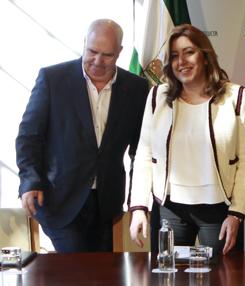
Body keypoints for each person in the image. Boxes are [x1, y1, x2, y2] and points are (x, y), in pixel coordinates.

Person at [15, 19, 149, 252]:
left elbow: (142, 150)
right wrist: (29, 180)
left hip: (107, 204)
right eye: (92, 51)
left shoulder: (136, 88)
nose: (98, 61)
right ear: (84, 43)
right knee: (76, 270)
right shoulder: (52, 79)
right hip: (60, 198)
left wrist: (137, 202)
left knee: (103, 273)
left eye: (107, 55)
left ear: (119, 52)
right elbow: (29, 137)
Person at [128, 24, 245, 255]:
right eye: (175, 55)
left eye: (189, 52)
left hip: (219, 209)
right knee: (169, 276)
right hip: (170, 209)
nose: (181, 61)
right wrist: (139, 207)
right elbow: (144, 155)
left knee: (224, 277)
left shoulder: (235, 97)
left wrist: (237, 213)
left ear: (205, 56)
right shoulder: (157, 96)